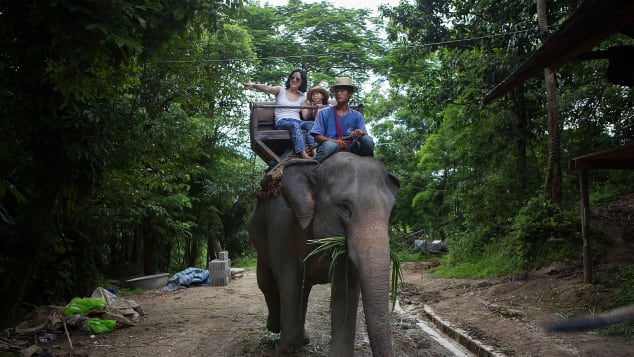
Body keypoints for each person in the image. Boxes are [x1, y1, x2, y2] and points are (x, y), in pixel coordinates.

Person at [243, 69, 317, 160]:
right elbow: (267, 88)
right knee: (294, 125)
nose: (294, 80)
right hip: (282, 121)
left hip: (297, 121)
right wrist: (253, 85)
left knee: (311, 124)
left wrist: (310, 104)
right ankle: (303, 154)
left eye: (297, 79)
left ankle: (314, 151)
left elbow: (306, 116)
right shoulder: (281, 90)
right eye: (292, 78)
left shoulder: (302, 96)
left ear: (302, 82)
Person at [310, 77, 374, 162]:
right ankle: (312, 167)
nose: (339, 93)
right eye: (337, 91)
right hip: (331, 147)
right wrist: (334, 141)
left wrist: (360, 132)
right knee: (330, 146)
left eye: (342, 91)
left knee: (368, 140)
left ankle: (369, 165)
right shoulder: (324, 113)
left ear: (350, 93)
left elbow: (364, 134)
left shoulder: (357, 115)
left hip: (351, 148)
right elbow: (317, 137)